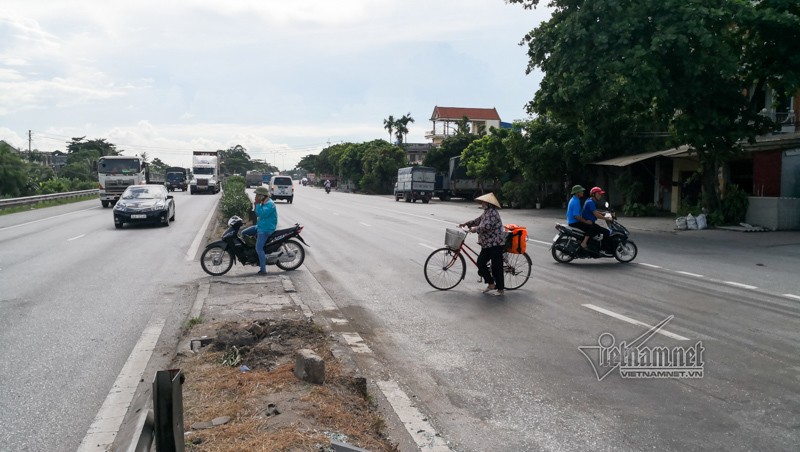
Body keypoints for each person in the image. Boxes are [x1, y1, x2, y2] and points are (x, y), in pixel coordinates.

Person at [459, 193, 505, 295]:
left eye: (484, 202)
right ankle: (491, 283)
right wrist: (466, 223)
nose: (482, 204)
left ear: (488, 203)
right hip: (487, 244)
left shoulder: (493, 213)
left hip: (495, 243)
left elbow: (486, 226)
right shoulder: (486, 213)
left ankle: (500, 289)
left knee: (496, 267)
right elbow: (477, 221)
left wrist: (475, 229)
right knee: (480, 262)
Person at [254, 186, 278, 275]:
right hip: (261, 226)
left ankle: (263, 270)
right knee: (245, 232)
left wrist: (256, 204)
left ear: (262, 196)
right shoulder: (263, 203)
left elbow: (262, 214)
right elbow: (257, 213)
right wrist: (256, 204)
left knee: (259, 248)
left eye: (257, 195)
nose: (255, 197)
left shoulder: (269, 204)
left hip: (266, 229)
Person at [581, 186, 612, 254]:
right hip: (589, 223)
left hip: (589, 223)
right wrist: (607, 218)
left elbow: (594, 211)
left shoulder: (590, 201)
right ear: (593, 194)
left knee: (598, 233)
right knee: (606, 232)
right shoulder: (591, 202)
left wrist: (603, 213)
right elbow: (596, 215)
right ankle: (603, 249)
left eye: (601, 194)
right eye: (599, 194)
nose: (600, 196)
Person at [566, 185, 593, 249]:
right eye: (581, 191)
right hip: (574, 222)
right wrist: (586, 221)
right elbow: (576, 216)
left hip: (571, 221)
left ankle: (581, 240)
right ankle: (584, 243)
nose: (583, 192)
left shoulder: (573, 199)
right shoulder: (576, 201)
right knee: (591, 226)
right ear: (577, 193)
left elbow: (579, 211)